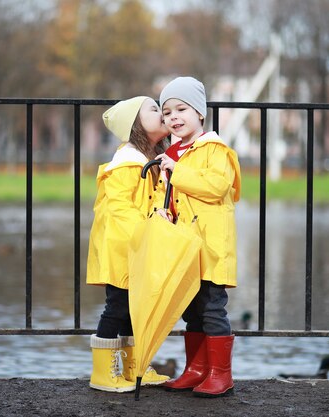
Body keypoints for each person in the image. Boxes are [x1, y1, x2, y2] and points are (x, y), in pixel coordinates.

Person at [154, 76, 241, 398]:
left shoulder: (214, 149)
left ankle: (221, 374)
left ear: (200, 113)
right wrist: (163, 213)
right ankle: (196, 370)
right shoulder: (175, 152)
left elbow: (216, 187)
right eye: (166, 113)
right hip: (187, 246)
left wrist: (176, 170)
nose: (173, 117)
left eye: (181, 109)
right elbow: (173, 197)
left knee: (213, 309)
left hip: (211, 246)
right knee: (192, 309)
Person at [86, 96, 171, 392]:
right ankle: (102, 374)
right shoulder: (127, 162)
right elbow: (121, 209)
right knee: (118, 307)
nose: (163, 113)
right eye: (154, 109)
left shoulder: (149, 161)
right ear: (135, 123)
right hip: (123, 249)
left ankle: (136, 368)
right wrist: (150, 220)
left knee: (136, 310)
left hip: (137, 247)